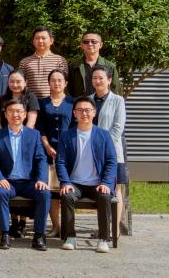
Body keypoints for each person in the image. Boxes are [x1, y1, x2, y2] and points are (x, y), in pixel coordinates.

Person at [56, 97, 117, 253]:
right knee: (67, 196)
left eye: (87, 110)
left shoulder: (104, 135)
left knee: (104, 196)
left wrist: (106, 183)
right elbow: (61, 162)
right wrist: (66, 182)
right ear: (74, 113)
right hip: (75, 183)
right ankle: (70, 237)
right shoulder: (66, 135)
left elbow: (111, 162)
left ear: (94, 112)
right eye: (80, 110)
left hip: (98, 183)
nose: (84, 113)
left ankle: (103, 239)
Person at [0, 99, 51, 251]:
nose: (15, 114)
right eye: (11, 111)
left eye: (19, 111)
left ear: (24, 115)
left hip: (29, 183)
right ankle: (5, 234)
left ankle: (39, 235)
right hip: (8, 182)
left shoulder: (34, 134)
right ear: (5, 115)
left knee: (44, 193)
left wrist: (42, 179)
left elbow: (41, 159)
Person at [88, 65, 128, 237]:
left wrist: (103, 146)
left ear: (109, 80)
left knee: (115, 190)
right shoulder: (88, 100)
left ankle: (115, 229)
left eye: (101, 78)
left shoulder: (118, 100)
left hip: (112, 154)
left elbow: (118, 128)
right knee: (101, 190)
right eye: (94, 78)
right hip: (90, 154)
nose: (97, 81)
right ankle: (103, 228)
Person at [38, 69, 74, 235]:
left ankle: (68, 226)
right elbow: (40, 128)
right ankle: (55, 226)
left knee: (66, 188)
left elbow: (75, 127)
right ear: (49, 83)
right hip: (48, 151)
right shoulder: (42, 103)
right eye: (53, 80)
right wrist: (47, 146)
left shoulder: (73, 103)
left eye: (60, 80)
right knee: (52, 189)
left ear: (65, 83)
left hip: (69, 151)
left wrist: (65, 148)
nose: (57, 83)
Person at [19, 26, 69, 98]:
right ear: (33, 41)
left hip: (52, 101)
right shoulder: (24, 62)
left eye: (43, 38)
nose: (40, 41)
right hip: (31, 101)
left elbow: (63, 84)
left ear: (51, 41)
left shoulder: (60, 60)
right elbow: (21, 84)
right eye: (37, 38)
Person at [68, 31, 120, 97]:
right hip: (81, 103)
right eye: (86, 42)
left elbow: (115, 90)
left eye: (93, 41)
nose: (90, 44)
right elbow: (70, 90)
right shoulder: (74, 66)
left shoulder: (109, 66)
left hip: (103, 103)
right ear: (82, 45)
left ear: (100, 45)